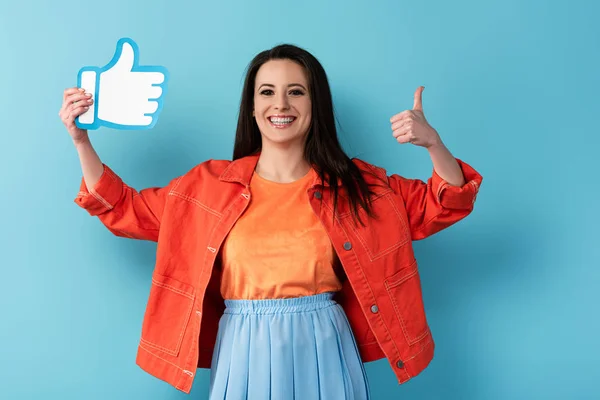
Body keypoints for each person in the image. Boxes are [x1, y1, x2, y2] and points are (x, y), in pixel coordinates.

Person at [59, 44, 482, 399]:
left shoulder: (358, 186)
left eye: (296, 92)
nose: (280, 104)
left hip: (324, 340)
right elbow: (123, 208)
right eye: (267, 92)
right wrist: (81, 140)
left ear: (315, 104)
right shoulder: (206, 187)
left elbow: (443, 202)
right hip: (242, 343)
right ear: (253, 104)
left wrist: (433, 143)